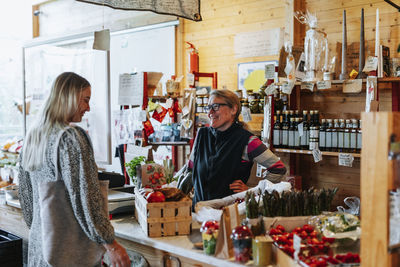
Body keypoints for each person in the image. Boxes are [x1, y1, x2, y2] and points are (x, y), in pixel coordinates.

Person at [18, 72, 131, 267]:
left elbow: (26, 197)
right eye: (85, 100)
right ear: (68, 98)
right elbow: (87, 197)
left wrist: (43, 232)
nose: (88, 107)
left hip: (40, 248)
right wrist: (109, 244)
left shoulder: (33, 137)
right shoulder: (70, 137)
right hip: (69, 254)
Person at [188, 89, 286, 207]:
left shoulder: (247, 141)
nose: (210, 112)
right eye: (208, 108)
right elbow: (190, 169)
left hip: (229, 215)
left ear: (233, 109)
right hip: (200, 212)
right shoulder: (202, 135)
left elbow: (278, 168)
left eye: (215, 106)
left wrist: (253, 191)